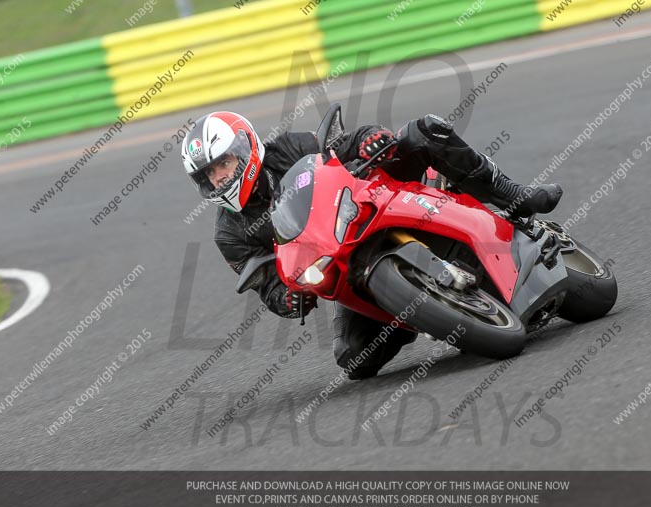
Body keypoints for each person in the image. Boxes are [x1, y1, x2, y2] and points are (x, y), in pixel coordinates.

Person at [180, 112, 562, 379]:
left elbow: (342, 144)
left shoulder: (288, 148)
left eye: (223, 164)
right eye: (209, 175)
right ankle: (420, 311)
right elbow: (267, 284)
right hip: (345, 264)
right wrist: (288, 299)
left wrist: (369, 140)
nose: (219, 179)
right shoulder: (229, 234)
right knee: (353, 360)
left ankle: (515, 197)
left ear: (245, 149)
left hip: (371, 202)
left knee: (425, 131)